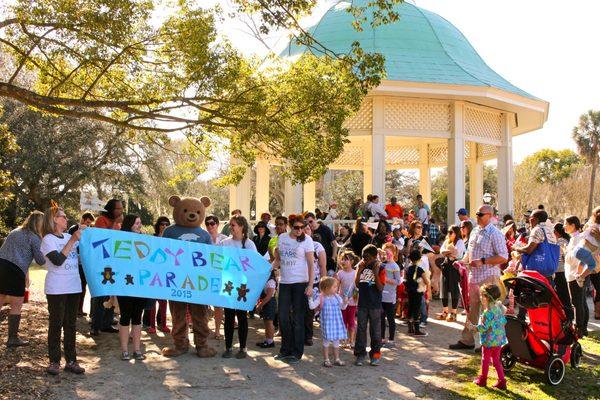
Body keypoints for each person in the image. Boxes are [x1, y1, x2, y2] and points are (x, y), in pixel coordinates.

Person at [449, 205, 508, 351]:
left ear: (489, 215)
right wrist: (462, 261)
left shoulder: (495, 233)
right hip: (473, 277)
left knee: (489, 311)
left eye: (480, 214)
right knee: (472, 309)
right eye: (476, 213)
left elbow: (503, 257)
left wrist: (483, 261)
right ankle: (467, 340)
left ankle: (488, 344)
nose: (477, 216)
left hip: (489, 277)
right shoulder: (475, 230)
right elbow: (470, 252)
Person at [41, 204, 85, 375]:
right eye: (63, 216)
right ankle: (54, 361)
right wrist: (73, 240)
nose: (66, 219)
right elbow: (58, 261)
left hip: (74, 286)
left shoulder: (68, 236)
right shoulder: (48, 240)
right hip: (56, 288)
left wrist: (84, 234)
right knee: (56, 324)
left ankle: (72, 360)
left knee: (71, 325)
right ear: (53, 220)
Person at [0, 211, 46, 347]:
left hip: (1, 265)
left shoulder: (15, 231)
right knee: (17, 303)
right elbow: (40, 260)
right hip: (15, 270)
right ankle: (12, 338)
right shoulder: (34, 237)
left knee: (0, 297)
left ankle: (13, 338)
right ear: (39, 224)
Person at [273, 217, 314, 364]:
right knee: (283, 317)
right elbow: (278, 260)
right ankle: (285, 350)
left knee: (298, 319)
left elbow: (311, 264)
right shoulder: (282, 238)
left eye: (302, 227)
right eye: (296, 227)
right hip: (284, 282)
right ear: (290, 227)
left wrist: (310, 285)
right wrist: (267, 269)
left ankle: (297, 352)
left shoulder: (307, 240)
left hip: (300, 283)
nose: (300, 230)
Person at [220, 216, 257, 359]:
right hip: (228, 284)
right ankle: (228, 347)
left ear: (242, 226)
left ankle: (243, 348)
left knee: (242, 316)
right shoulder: (224, 243)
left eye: (233, 225)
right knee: (228, 316)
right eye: (230, 225)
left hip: (242, 285)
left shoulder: (249, 245)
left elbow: (254, 265)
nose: (231, 227)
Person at [116, 214, 147, 360]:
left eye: (140, 223)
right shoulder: (121, 239)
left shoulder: (145, 240)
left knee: (137, 317)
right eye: (136, 223)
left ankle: (137, 349)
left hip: (141, 285)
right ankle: (124, 350)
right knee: (125, 316)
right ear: (129, 224)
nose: (139, 225)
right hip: (125, 284)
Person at [90, 199, 123, 336]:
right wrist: (115, 222)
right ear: (111, 209)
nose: (120, 211)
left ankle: (107, 323)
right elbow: (104, 238)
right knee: (101, 295)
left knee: (111, 293)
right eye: (118, 209)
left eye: (121, 209)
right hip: (102, 263)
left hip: (114, 263)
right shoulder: (101, 220)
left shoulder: (119, 224)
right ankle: (95, 325)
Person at [468, 284, 507, 390]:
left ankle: (482, 380)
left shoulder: (487, 313)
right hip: (498, 341)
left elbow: (483, 328)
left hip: (489, 342)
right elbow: (503, 322)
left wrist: (472, 327)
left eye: (482, 295)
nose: (480, 297)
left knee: (485, 359)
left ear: (487, 298)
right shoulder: (499, 308)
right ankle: (502, 381)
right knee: (496, 360)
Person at [353, 245, 385, 366]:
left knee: (375, 331)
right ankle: (360, 354)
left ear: (375, 256)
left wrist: (376, 273)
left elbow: (381, 287)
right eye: (363, 257)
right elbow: (356, 284)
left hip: (375, 305)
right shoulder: (361, 266)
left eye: (367, 258)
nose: (365, 260)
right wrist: (359, 270)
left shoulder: (380, 267)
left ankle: (375, 355)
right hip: (362, 304)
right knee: (361, 329)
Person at [143, 216, 171, 334]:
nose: (164, 226)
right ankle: (152, 326)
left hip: (166, 274)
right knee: (152, 302)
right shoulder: (152, 238)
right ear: (158, 225)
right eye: (162, 224)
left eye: (166, 224)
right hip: (153, 274)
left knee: (164, 302)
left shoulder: (171, 240)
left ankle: (163, 325)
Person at [513, 209, 557, 284]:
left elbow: (529, 249)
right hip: (549, 271)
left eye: (530, 218)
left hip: (537, 273)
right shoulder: (550, 230)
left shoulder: (537, 230)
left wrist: (516, 248)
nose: (529, 220)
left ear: (534, 219)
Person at [315, 276, 348, 367]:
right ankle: (326, 360)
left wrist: (345, 302)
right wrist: (310, 298)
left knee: (336, 341)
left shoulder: (337, 297)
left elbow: (343, 307)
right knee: (326, 342)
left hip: (336, 323)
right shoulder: (321, 297)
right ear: (327, 288)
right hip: (327, 323)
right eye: (334, 287)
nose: (336, 288)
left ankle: (337, 359)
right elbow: (312, 306)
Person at [564, 216, 588, 336]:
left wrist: (565, 254)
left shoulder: (578, 238)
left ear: (573, 225)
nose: (564, 226)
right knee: (580, 302)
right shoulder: (575, 238)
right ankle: (582, 327)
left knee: (578, 302)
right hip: (575, 274)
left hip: (576, 274)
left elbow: (575, 257)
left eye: (566, 224)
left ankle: (579, 328)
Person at [67, 212, 95, 317]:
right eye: (87, 222)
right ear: (83, 219)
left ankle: (80, 308)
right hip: (75, 261)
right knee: (76, 286)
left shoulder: (90, 230)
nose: (88, 225)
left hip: (85, 262)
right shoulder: (73, 229)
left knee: (83, 286)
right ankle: (73, 308)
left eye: (90, 223)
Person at [436, 225, 465, 322]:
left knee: (454, 289)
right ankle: (445, 311)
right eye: (448, 232)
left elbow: (457, 254)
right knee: (444, 288)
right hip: (446, 266)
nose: (449, 234)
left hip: (454, 267)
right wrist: (449, 252)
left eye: (451, 232)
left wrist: (448, 252)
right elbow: (441, 251)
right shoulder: (447, 240)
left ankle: (453, 312)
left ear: (456, 233)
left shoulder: (460, 242)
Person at [204, 215, 227, 339]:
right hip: (204, 275)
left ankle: (218, 330)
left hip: (220, 275)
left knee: (218, 305)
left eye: (212, 223)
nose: (209, 226)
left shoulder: (224, 239)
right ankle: (205, 328)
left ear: (217, 224)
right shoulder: (202, 238)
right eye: (207, 223)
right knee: (203, 304)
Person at [304, 226, 327, 346]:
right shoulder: (296, 244)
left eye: (307, 228)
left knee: (309, 310)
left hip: (315, 282)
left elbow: (323, 266)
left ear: (311, 231)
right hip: (299, 280)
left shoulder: (317, 246)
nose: (305, 231)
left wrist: (324, 285)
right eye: (303, 228)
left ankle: (308, 336)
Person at [335, 250, 359, 348]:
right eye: (342, 259)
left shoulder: (356, 273)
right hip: (342, 302)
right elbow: (336, 287)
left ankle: (352, 341)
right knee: (343, 321)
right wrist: (340, 299)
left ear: (352, 261)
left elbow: (357, 288)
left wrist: (353, 297)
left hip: (352, 302)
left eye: (346, 260)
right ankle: (344, 340)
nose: (343, 261)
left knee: (351, 321)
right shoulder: (340, 273)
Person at [571, 206, 600, 286]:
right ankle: (581, 277)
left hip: (578, 249)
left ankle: (578, 273)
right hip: (586, 251)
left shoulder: (591, 226)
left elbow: (581, 236)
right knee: (591, 264)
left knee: (583, 261)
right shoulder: (597, 227)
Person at [380, 243, 401, 347]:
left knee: (390, 319)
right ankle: (382, 338)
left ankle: (391, 339)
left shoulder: (395, 266)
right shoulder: (381, 264)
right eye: (385, 253)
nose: (386, 255)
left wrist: (386, 279)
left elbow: (398, 281)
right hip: (380, 297)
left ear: (394, 253)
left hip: (390, 297)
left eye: (388, 253)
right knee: (381, 318)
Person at [405, 249, 430, 336]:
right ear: (419, 259)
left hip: (409, 291)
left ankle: (410, 328)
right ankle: (417, 330)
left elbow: (406, 279)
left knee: (410, 308)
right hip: (418, 292)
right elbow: (427, 282)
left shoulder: (407, 269)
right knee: (417, 309)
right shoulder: (420, 270)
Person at [553, 223, 573, 321]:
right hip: (564, 271)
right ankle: (568, 315)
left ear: (556, 232)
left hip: (560, 271)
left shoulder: (560, 242)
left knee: (563, 294)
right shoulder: (566, 240)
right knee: (565, 294)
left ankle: (568, 317)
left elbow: (558, 257)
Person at [256, 269, 277, 348]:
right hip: (266, 303)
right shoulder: (266, 281)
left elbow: (268, 297)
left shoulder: (271, 282)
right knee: (266, 322)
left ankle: (270, 341)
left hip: (269, 303)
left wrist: (260, 305)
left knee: (269, 322)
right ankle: (267, 340)